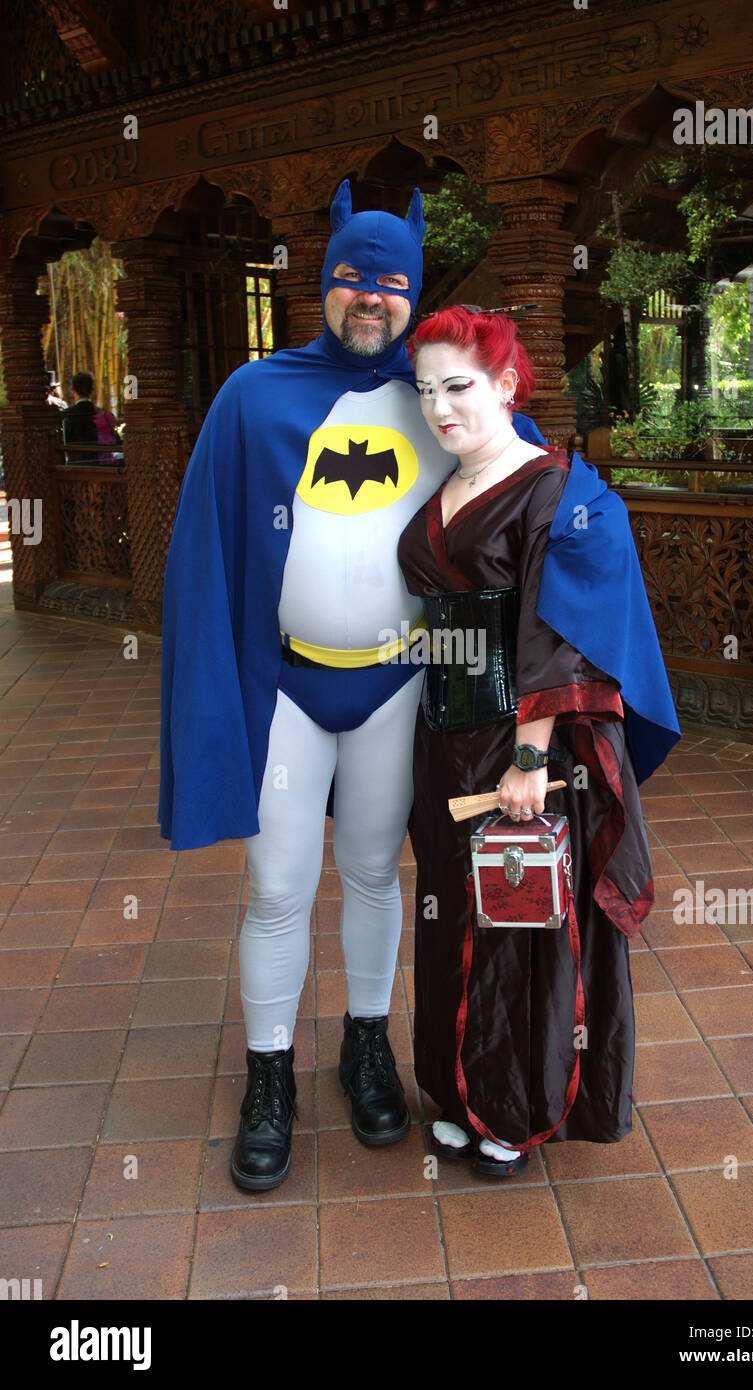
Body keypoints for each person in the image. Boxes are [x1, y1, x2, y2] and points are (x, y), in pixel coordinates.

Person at [158, 184, 546, 1192]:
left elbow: (531, 489)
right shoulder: (254, 395)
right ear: (321, 285)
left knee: (377, 873)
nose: (367, 299)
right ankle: (268, 1072)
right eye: (349, 280)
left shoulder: (446, 397)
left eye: (388, 283)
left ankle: (365, 1043)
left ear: (412, 292)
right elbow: (203, 547)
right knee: (277, 883)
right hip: (285, 685)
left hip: (398, 687)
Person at [397, 306, 680, 1176]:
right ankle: (462, 1091)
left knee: (516, 924)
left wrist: (529, 754)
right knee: (453, 908)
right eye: (425, 391)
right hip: (446, 738)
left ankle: (514, 1110)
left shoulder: (557, 490)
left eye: (458, 387)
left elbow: (554, 631)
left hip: (524, 746)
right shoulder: (447, 484)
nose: (440, 408)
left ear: (507, 385)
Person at [61, 371, 121, 463]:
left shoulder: (66, 415)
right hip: (103, 466)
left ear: (72, 390)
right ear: (92, 390)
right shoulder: (105, 415)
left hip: (75, 466)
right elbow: (116, 442)